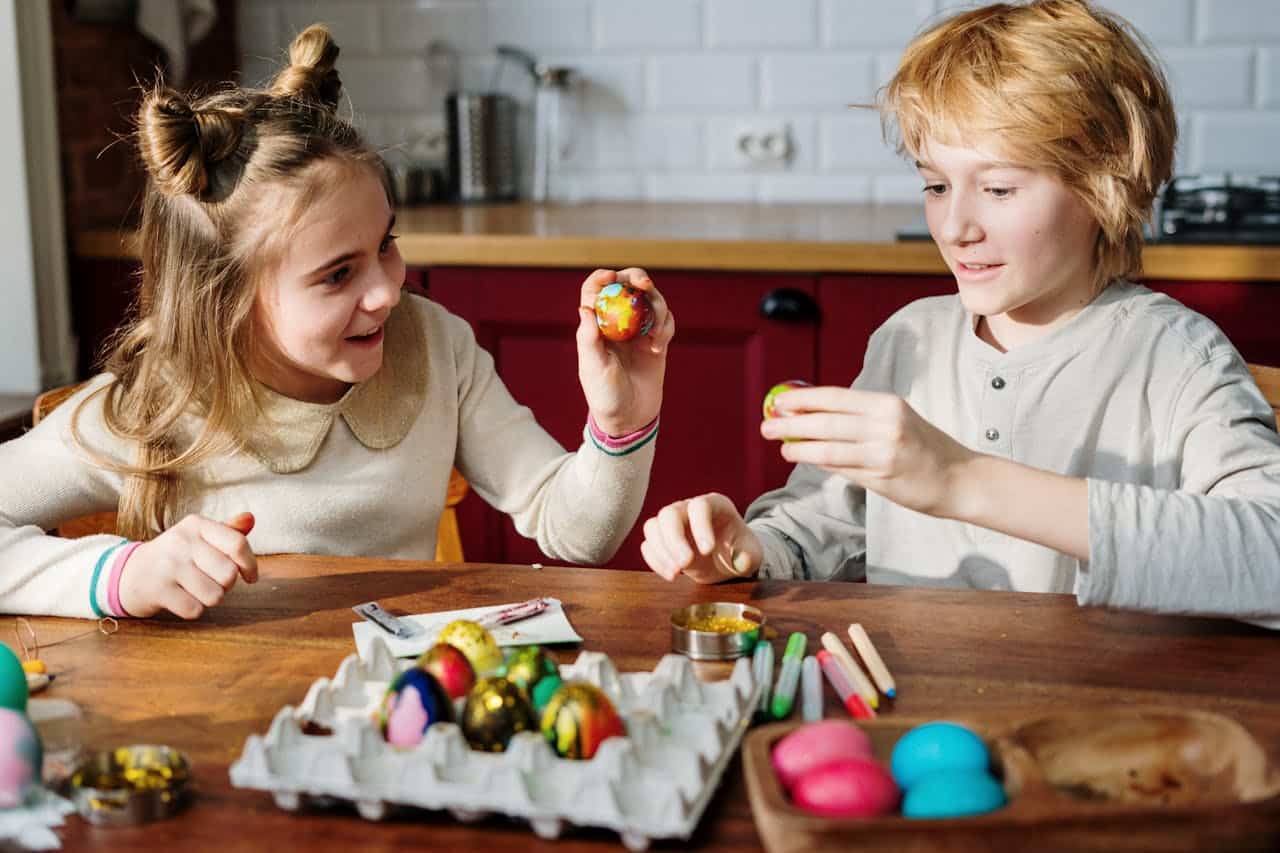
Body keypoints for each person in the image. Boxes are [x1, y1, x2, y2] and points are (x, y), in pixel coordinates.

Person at [0, 25, 673, 621]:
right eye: (337, 274)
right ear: (225, 300)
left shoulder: (437, 347)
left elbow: (576, 532)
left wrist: (621, 423)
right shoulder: (158, 403)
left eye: (386, 243)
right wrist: (120, 576)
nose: (387, 290)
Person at [638, 0, 1280, 624]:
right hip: (916, 703)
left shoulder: (1174, 356)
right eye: (936, 185)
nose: (954, 226)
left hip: (1098, 724)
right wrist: (749, 548)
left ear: (1102, 185)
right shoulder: (909, 339)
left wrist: (961, 480)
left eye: (998, 188)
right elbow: (822, 525)